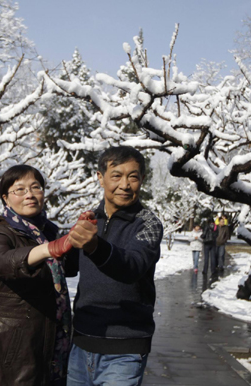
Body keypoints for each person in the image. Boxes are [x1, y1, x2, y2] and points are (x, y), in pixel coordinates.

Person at [64, 146, 164, 386]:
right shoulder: (89, 220)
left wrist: (94, 246)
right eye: (116, 175)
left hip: (125, 348)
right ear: (100, 178)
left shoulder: (148, 223)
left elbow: (132, 266)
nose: (125, 184)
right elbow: (68, 268)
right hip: (81, 343)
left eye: (133, 176)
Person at [0, 165, 79, 386]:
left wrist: (79, 240)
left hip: (48, 339)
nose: (29, 194)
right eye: (19, 189)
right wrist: (48, 250)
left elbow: (68, 268)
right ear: (6, 199)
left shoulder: (48, 231)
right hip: (12, 350)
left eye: (35, 187)